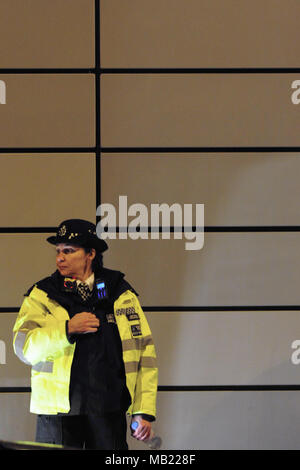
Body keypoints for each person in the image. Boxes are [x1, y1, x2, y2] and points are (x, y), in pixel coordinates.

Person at [13, 219, 158, 450]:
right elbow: (24, 348)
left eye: (69, 251)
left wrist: (143, 411)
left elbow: (144, 354)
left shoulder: (120, 292)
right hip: (57, 413)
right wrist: (67, 329)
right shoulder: (42, 293)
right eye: (58, 251)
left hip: (108, 409)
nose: (60, 257)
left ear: (90, 253)